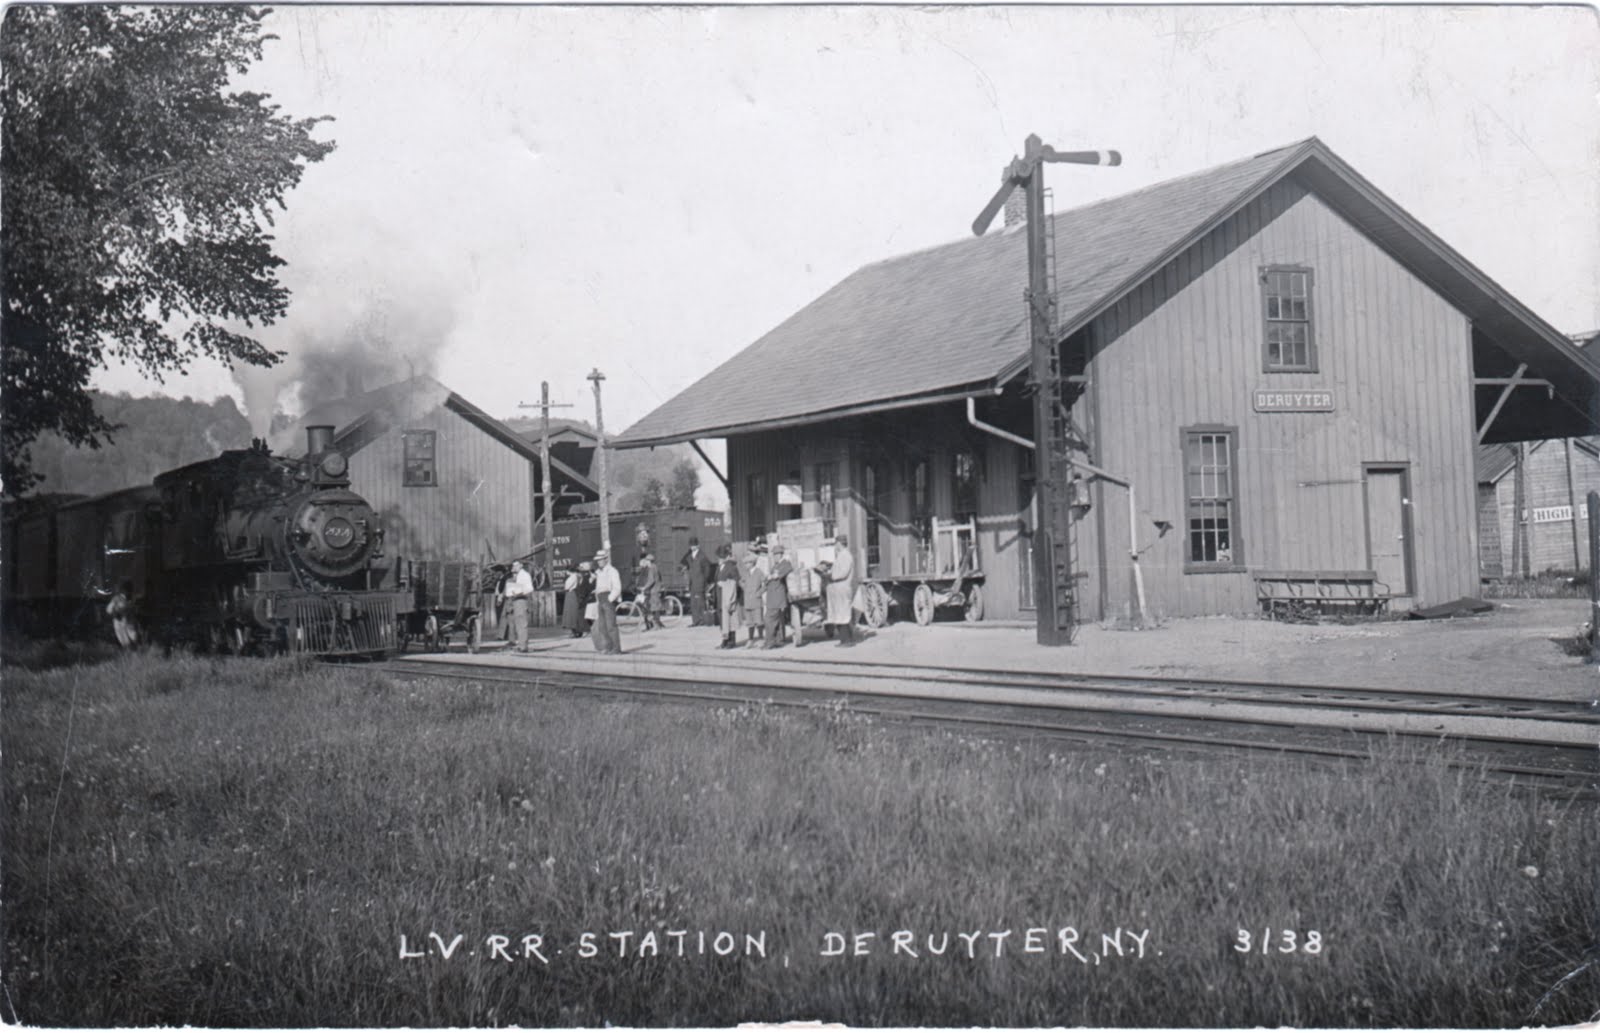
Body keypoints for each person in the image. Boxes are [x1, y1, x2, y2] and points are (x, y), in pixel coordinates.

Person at [825, 534, 858, 647]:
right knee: (840, 615)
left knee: (842, 616)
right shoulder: (842, 555)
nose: (835, 546)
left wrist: (830, 576)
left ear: (839, 544)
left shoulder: (845, 556)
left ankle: (847, 640)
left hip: (842, 589)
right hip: (839, 589)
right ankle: (846, 639)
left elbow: (843, 572)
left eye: (836, 544)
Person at [762, 543, 794, 648]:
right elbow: (768, 578)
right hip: (772, 597)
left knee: (769, 619)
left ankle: (769, 642)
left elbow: (780, 574)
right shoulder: (775, 566)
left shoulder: (786, 564)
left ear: (781, 554)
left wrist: (772, 576)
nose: (775, 556)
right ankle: (778, 640)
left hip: (777, 597)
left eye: (776, 554)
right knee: (777, 619)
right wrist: (769, 577)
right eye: (774, 554)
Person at [592, 549, 623, 654]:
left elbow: (617, 588)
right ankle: (608, 647)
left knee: (611, 625)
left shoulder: (612, 571)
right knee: (602, 626)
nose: (599, 562)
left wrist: (609, 599)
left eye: (601, 560)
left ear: (606, 559)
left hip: (607, 598)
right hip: (600, 599)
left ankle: (616, 648)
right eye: (598, 560)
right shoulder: (599, 572)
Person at [681, 537, 715, 627]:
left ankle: (703, 620)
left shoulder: (702, 556)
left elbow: (707, 569)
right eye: (691, 545)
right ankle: (695, 621)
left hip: (700, 582)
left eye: (694, 545)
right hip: (692, 582)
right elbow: (686, 566)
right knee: (693, 602)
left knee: (700, 601)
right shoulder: (689, 556)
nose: (692, 547)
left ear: (698, 545)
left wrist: (704, 580)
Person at [505, 559, 534, 652]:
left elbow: (529, 588)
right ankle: (522, 645)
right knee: (518, 624)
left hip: (521, 600)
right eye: (513, 566)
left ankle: (523, 647)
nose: (514, 567)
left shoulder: (525, 575)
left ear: (521, 565)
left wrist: (518, 593)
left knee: (521, 623)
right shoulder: (519, 575)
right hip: (516, 600)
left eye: (516, 565)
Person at [715, 544, 741, 649]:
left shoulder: (731, 567)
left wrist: (725, 584)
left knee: (730, 619)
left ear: (726, 557)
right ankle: (724, 640)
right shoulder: (719, 568)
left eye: (721, 557)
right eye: (719, 557)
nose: (719, 559)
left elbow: (736, 582)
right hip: (720, 597)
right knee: (723, 620)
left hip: (728, 598)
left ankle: (731, 641)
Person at [739, 551, 765, 648]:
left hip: (757, 601)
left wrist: (759, 593)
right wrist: (744, 587)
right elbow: (740, 581)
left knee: (759, 621)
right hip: (748, 601)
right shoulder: (745, 573)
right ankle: (750, 640)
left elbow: (765, 583)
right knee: (749, 622)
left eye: (747, 563)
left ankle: (761, 639)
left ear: (752, 563)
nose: (746, 565)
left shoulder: (759, 572)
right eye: (745, 563)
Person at [562, 563, 593, 639]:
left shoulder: (572, 577)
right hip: (573, 594)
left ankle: (575, 631)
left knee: (571, 613)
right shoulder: (578, 576)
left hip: (571, 594)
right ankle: (577, 630)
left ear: (569, 570)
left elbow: (566, 587)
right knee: (573, 613)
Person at [107, 579, 139, 649]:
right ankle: (128, 655)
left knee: (134, 639)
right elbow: (109, 610)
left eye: (131, 590)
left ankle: (135, 653)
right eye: (129, 590)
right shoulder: (116, 599)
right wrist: (115, 614)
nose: (130, 592)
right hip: (119, 623)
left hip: (130, 623)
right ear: (124, 590)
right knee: (125, 643)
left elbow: (135, 610)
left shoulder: (132, 599)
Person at [636, 551, 662, 630]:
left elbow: (651, 580)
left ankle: (656, 625)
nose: (645, 562)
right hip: (652, 590)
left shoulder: (652, 568)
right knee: (649, 607)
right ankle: (651, 625)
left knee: (654, 608)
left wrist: (644, 587)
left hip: (654, 590)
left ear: (649, 561)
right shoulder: (653, 567)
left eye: (646, 560)